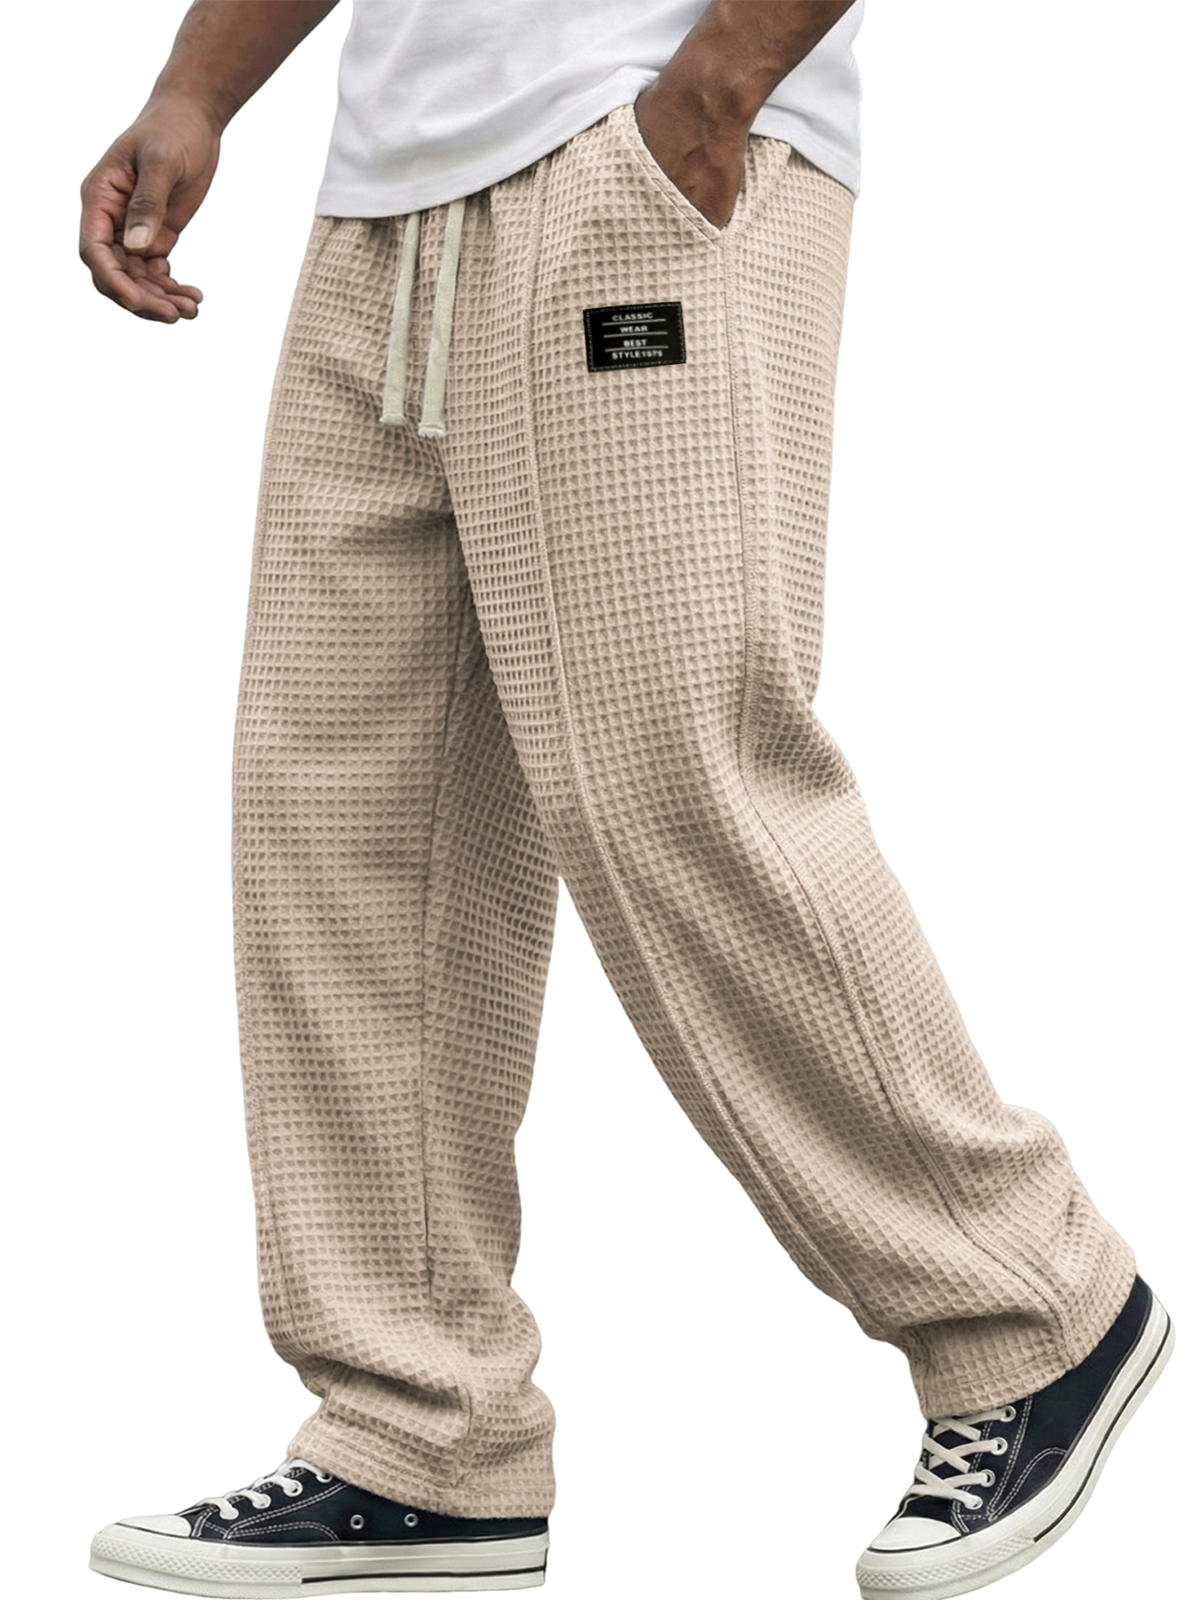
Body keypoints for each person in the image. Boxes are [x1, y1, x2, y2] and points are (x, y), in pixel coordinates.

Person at [78, 4, 1173, 1597]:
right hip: (389, 206)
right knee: (343, 823)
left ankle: (1032, 1304)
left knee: (672, 775)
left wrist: (716, 90)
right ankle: (421, 1434)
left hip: (638, 154)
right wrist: (197, 89)